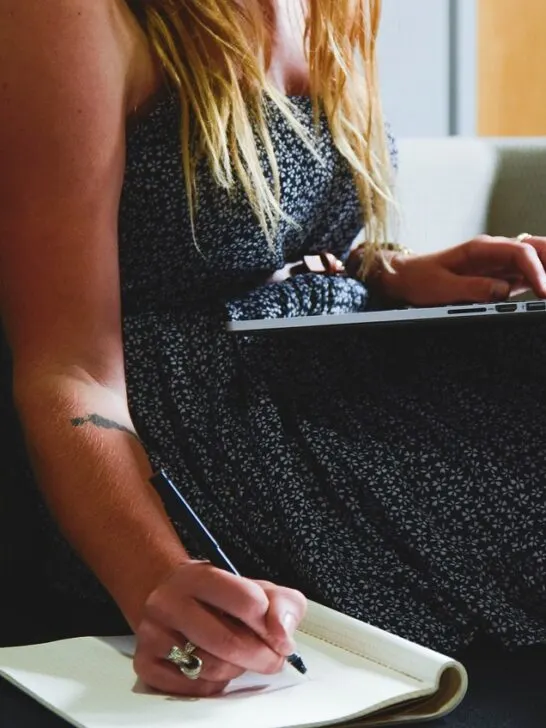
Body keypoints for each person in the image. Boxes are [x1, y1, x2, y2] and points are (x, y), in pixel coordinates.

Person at [2, 0, 546, 699]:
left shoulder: (339, 8)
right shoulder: (68, 14)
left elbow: (262, 240)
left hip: (320, 361)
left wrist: (387, 270)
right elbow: (68, 371)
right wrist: (157, 584)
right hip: (194, 429)